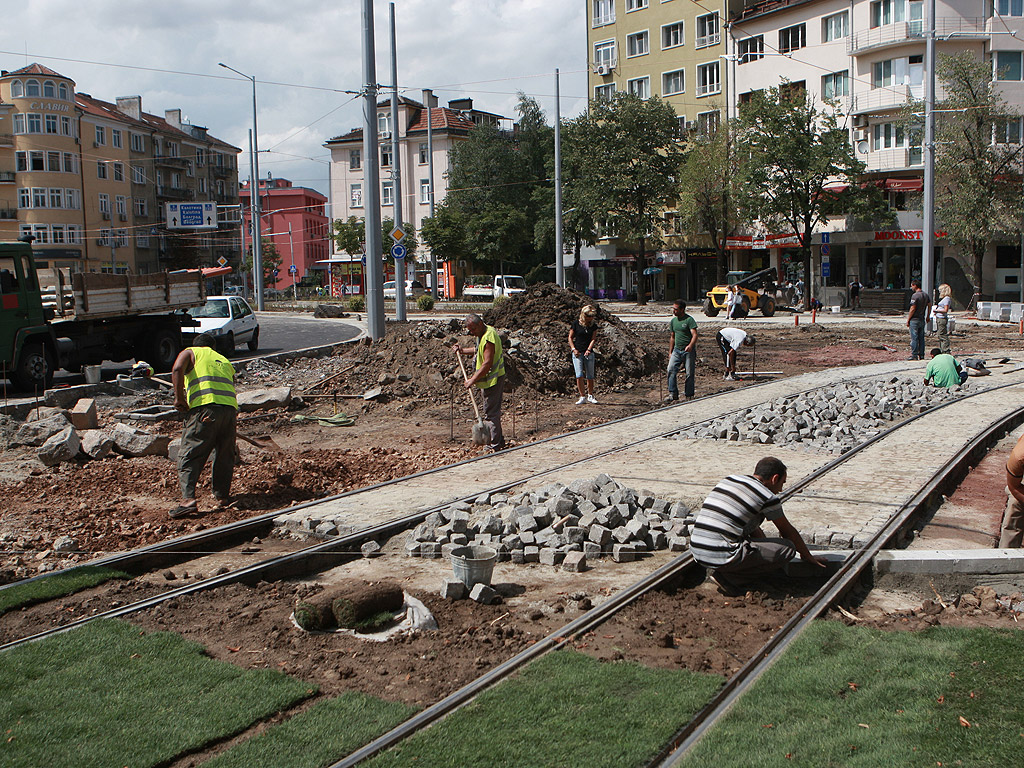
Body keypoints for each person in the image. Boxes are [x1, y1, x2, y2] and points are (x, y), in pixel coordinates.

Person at [690, 456, 827, 595]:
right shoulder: (767, 497)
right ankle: (731, 579)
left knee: (750, 524)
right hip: (721, 553)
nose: (780, 489)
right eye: (782, 483)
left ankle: (728, 569)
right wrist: (807, 555)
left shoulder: (730, 479)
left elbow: (750, 525)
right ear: (774, 478)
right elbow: (787, 531)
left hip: (696, 549)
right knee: (788, 548)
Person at [169, 332, 238, 519]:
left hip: (204, 410)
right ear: (212, 348)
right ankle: (222, 496)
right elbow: (230, 384)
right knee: (224, 454)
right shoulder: (223, 359)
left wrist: (179, 399)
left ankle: (188, 500)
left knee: (191, 453)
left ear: (197, 345)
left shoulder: (191, 352)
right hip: (229, 411)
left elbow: (177, 370)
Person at [452, 313, 506, 452]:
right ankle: (497, 439)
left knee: (491, 413)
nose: (471, 333)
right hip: (487, 380)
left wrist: (472, 380)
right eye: (469, 330)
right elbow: (478, 351)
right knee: (490, 411)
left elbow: (487, 363)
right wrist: (462, 351)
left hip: (493, 379)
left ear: (480, 325)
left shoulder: (489, 337)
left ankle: (494, 444)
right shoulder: (482, 334)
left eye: (473, 329)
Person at [666, 299, 698, 402]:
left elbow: (694, 335)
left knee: (689, 373)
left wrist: (690, 346)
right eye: (673, 309)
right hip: (676, 350)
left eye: (676, 309)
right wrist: (670, 352)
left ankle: (689, 394)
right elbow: (672, 337)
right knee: (670, 370)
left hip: (688, 351)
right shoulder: (673, 321)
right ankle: (673, 393)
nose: (673, 311)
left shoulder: (689, 320)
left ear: (682, 309)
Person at [569, 304, 599, 404]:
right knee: (579, 375)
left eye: (591, 316)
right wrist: (573, 349)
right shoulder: (576, 324)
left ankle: (590, 395)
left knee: (590, 375)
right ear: (583, 314)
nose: (590, 318)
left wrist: (589, 350)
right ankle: (582, 396)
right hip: (577, 352)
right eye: (588, 316)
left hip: (588, 353)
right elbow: (570, 338)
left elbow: (593, 339)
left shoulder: (593, 326)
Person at [1001, 431, 1024, 548]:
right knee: (1015, 504)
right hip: (1020, 483)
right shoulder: (1019, 456)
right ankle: (1006, 555)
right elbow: (1014, 487)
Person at [907, 279, 931, 360]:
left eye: (912, 285)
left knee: (914, 338)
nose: (911, 287)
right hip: (922, 318)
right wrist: (928, 316)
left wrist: (908, 319)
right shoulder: (925, 295)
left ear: (915, 285)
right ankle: (922, 354)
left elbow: (912, 308)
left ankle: (914, 355)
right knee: (921, 338)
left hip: (914, 319)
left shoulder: (915, 296)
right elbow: (930, 305)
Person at [934, 283, 952, 354]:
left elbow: (946, 310)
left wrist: (937, 310)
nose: (939, 292)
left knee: (942, 335)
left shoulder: (946, 299)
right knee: (940, 334)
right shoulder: (944, 299)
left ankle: (946, 350)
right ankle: (943, 349)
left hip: (942, 318)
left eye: (940, 290)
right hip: (939, 317)